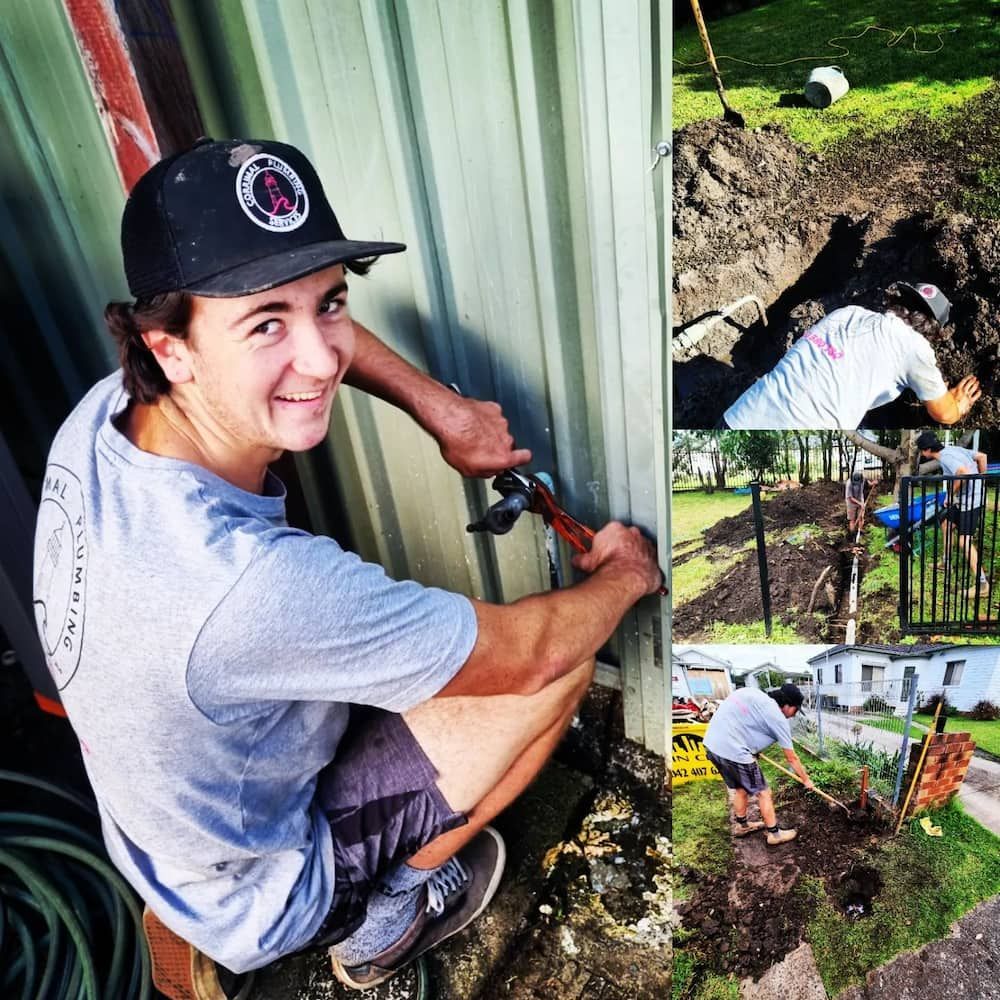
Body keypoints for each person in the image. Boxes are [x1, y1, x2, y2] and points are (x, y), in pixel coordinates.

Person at [31, 138, 662, 990]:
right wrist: (624, 573)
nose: (323, 357)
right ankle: (384, 915)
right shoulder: (249, 586)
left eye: (328, 303)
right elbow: (534, 651)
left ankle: (198, 899)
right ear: (169, 345)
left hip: (167, 824)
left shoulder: (106, 414)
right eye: (265, 325)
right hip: (278, 882)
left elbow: (306, 337)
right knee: (561, 665)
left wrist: (441, 410)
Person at [721, 282, 981, 429]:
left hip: (741, 416)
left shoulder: (848, 313)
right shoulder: (915, 347)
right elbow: (945, 414)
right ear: (933, 331)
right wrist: (958, 404)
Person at [702, 683, 814, 846]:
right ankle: (774, 835)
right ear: (788, 705)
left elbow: (740, 719)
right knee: (763, 792)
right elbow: (792, 758)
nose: (794, 715)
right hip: (734, 751)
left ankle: (742, 826)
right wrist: (806, 780)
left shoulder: (752, 693)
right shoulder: (778, 718)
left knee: (741, 788)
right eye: (795, 710)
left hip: (713, 745)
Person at [916, 431, 990, 599]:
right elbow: (982, 457)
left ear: (927, 450)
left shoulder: (946, 457)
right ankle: (946, 562)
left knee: (965, 541)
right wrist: (981, 480)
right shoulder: (953, 449)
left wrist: (950, 494)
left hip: (971, 501)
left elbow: (962, 472)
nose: (922, 454)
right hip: (966, 498)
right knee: (946, 523)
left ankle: (982, 584)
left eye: (921, 451)